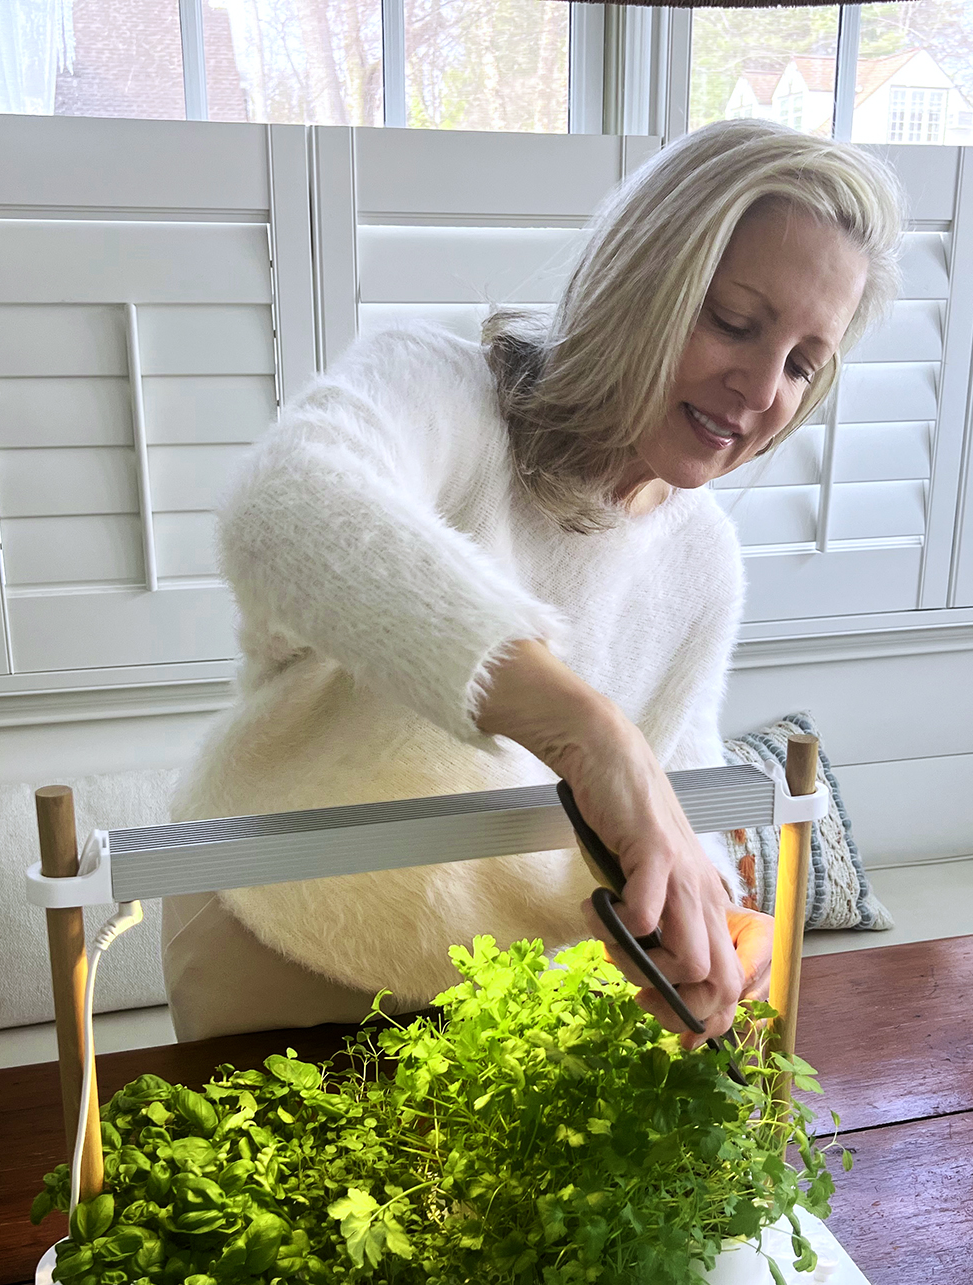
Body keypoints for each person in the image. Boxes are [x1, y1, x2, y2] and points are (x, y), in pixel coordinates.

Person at [164, 119, 902, 1044]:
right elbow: (282, 510)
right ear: (640, 281)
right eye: (733, 322)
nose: (760, 391)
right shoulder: (439, 389)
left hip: (512, 1005)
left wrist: (705, 922)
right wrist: (591, 734)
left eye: (801, 363)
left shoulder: (702, 555)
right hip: (278, 938)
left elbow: (674, 782)